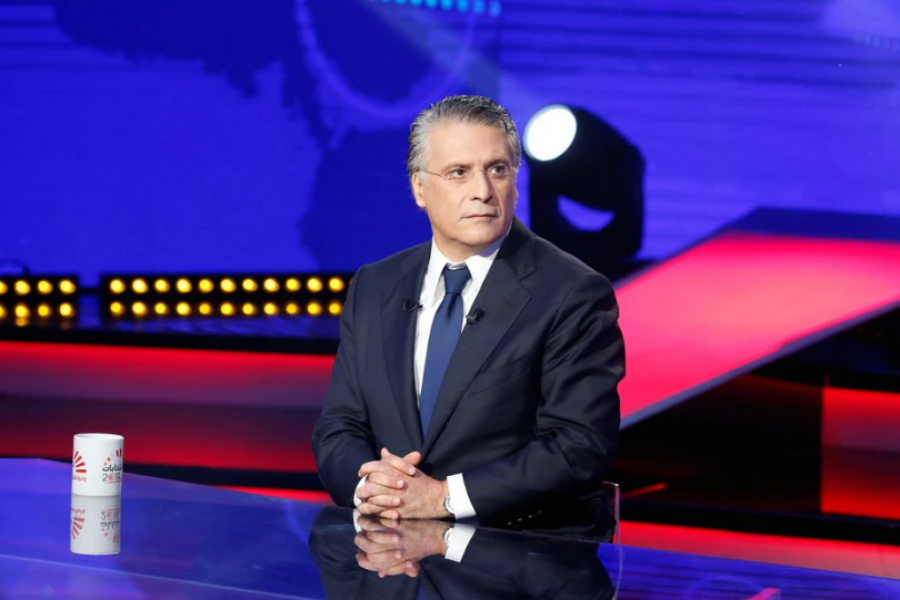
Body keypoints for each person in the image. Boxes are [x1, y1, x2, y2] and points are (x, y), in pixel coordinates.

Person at [311, 95, 624, 527]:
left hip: (517, 561)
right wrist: (370, 488)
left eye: (497, 169)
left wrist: (444, 498)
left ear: (515, 180)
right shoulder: (375, 285)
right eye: (459, 172)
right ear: (420, 187)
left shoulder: (573, 293)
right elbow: (339, 426)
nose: (482, 191)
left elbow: (579, 445)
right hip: (388, 565)